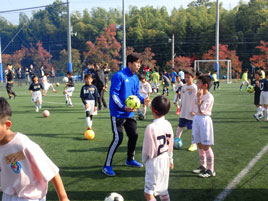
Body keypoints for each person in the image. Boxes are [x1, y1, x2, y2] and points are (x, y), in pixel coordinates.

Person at [0, 97, 70, 201]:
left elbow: (52, 171)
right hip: (7, 196)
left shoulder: (22, 145)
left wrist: (63, 198)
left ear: (7, 125)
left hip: (29, 197)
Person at [102, 53, 150, 176]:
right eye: (136, 63)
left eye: (140, 63)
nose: (139, 65)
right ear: (129, 63)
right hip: (118, 113)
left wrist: (143, 100)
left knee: (134, 135)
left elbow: (136, 95)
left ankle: (130, 159)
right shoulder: (119, 75)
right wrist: (123, 107)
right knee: (118, 138)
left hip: (129, 114)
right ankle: (107, 165)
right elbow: (113, 94)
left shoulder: (135, 78)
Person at [142, 95, 174, 201]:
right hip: (165, 159)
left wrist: (145, 161)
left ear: (152, 109)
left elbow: (148, 150)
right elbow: (170, 145)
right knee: (163, 190)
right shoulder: (168, 124)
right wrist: (170, 159)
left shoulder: (151, 128)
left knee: (148, 193)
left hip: (155, 161)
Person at [192, 75, 215, 178]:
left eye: (198, 83)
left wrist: (199, 98)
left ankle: (211, 170)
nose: (197, 84)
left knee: (206, 146)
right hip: (196, 119)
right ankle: (203, 166)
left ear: (205, 85)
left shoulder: (209, 97)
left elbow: (202, 110)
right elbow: (195, 109)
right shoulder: (198, 94)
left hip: (204, 120)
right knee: (199, 144)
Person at [175, 70, 198, 152]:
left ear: (193, 78)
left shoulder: (195, 87)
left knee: (192, 128)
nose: (187, 79)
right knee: (180, 126)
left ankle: (194, 144)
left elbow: (197, 100)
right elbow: (182, 98)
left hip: (191, 112)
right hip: (183, 111)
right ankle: (176, 140)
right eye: (185, 77)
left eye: (189, 77)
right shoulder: (183, 86)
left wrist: (195, 111)